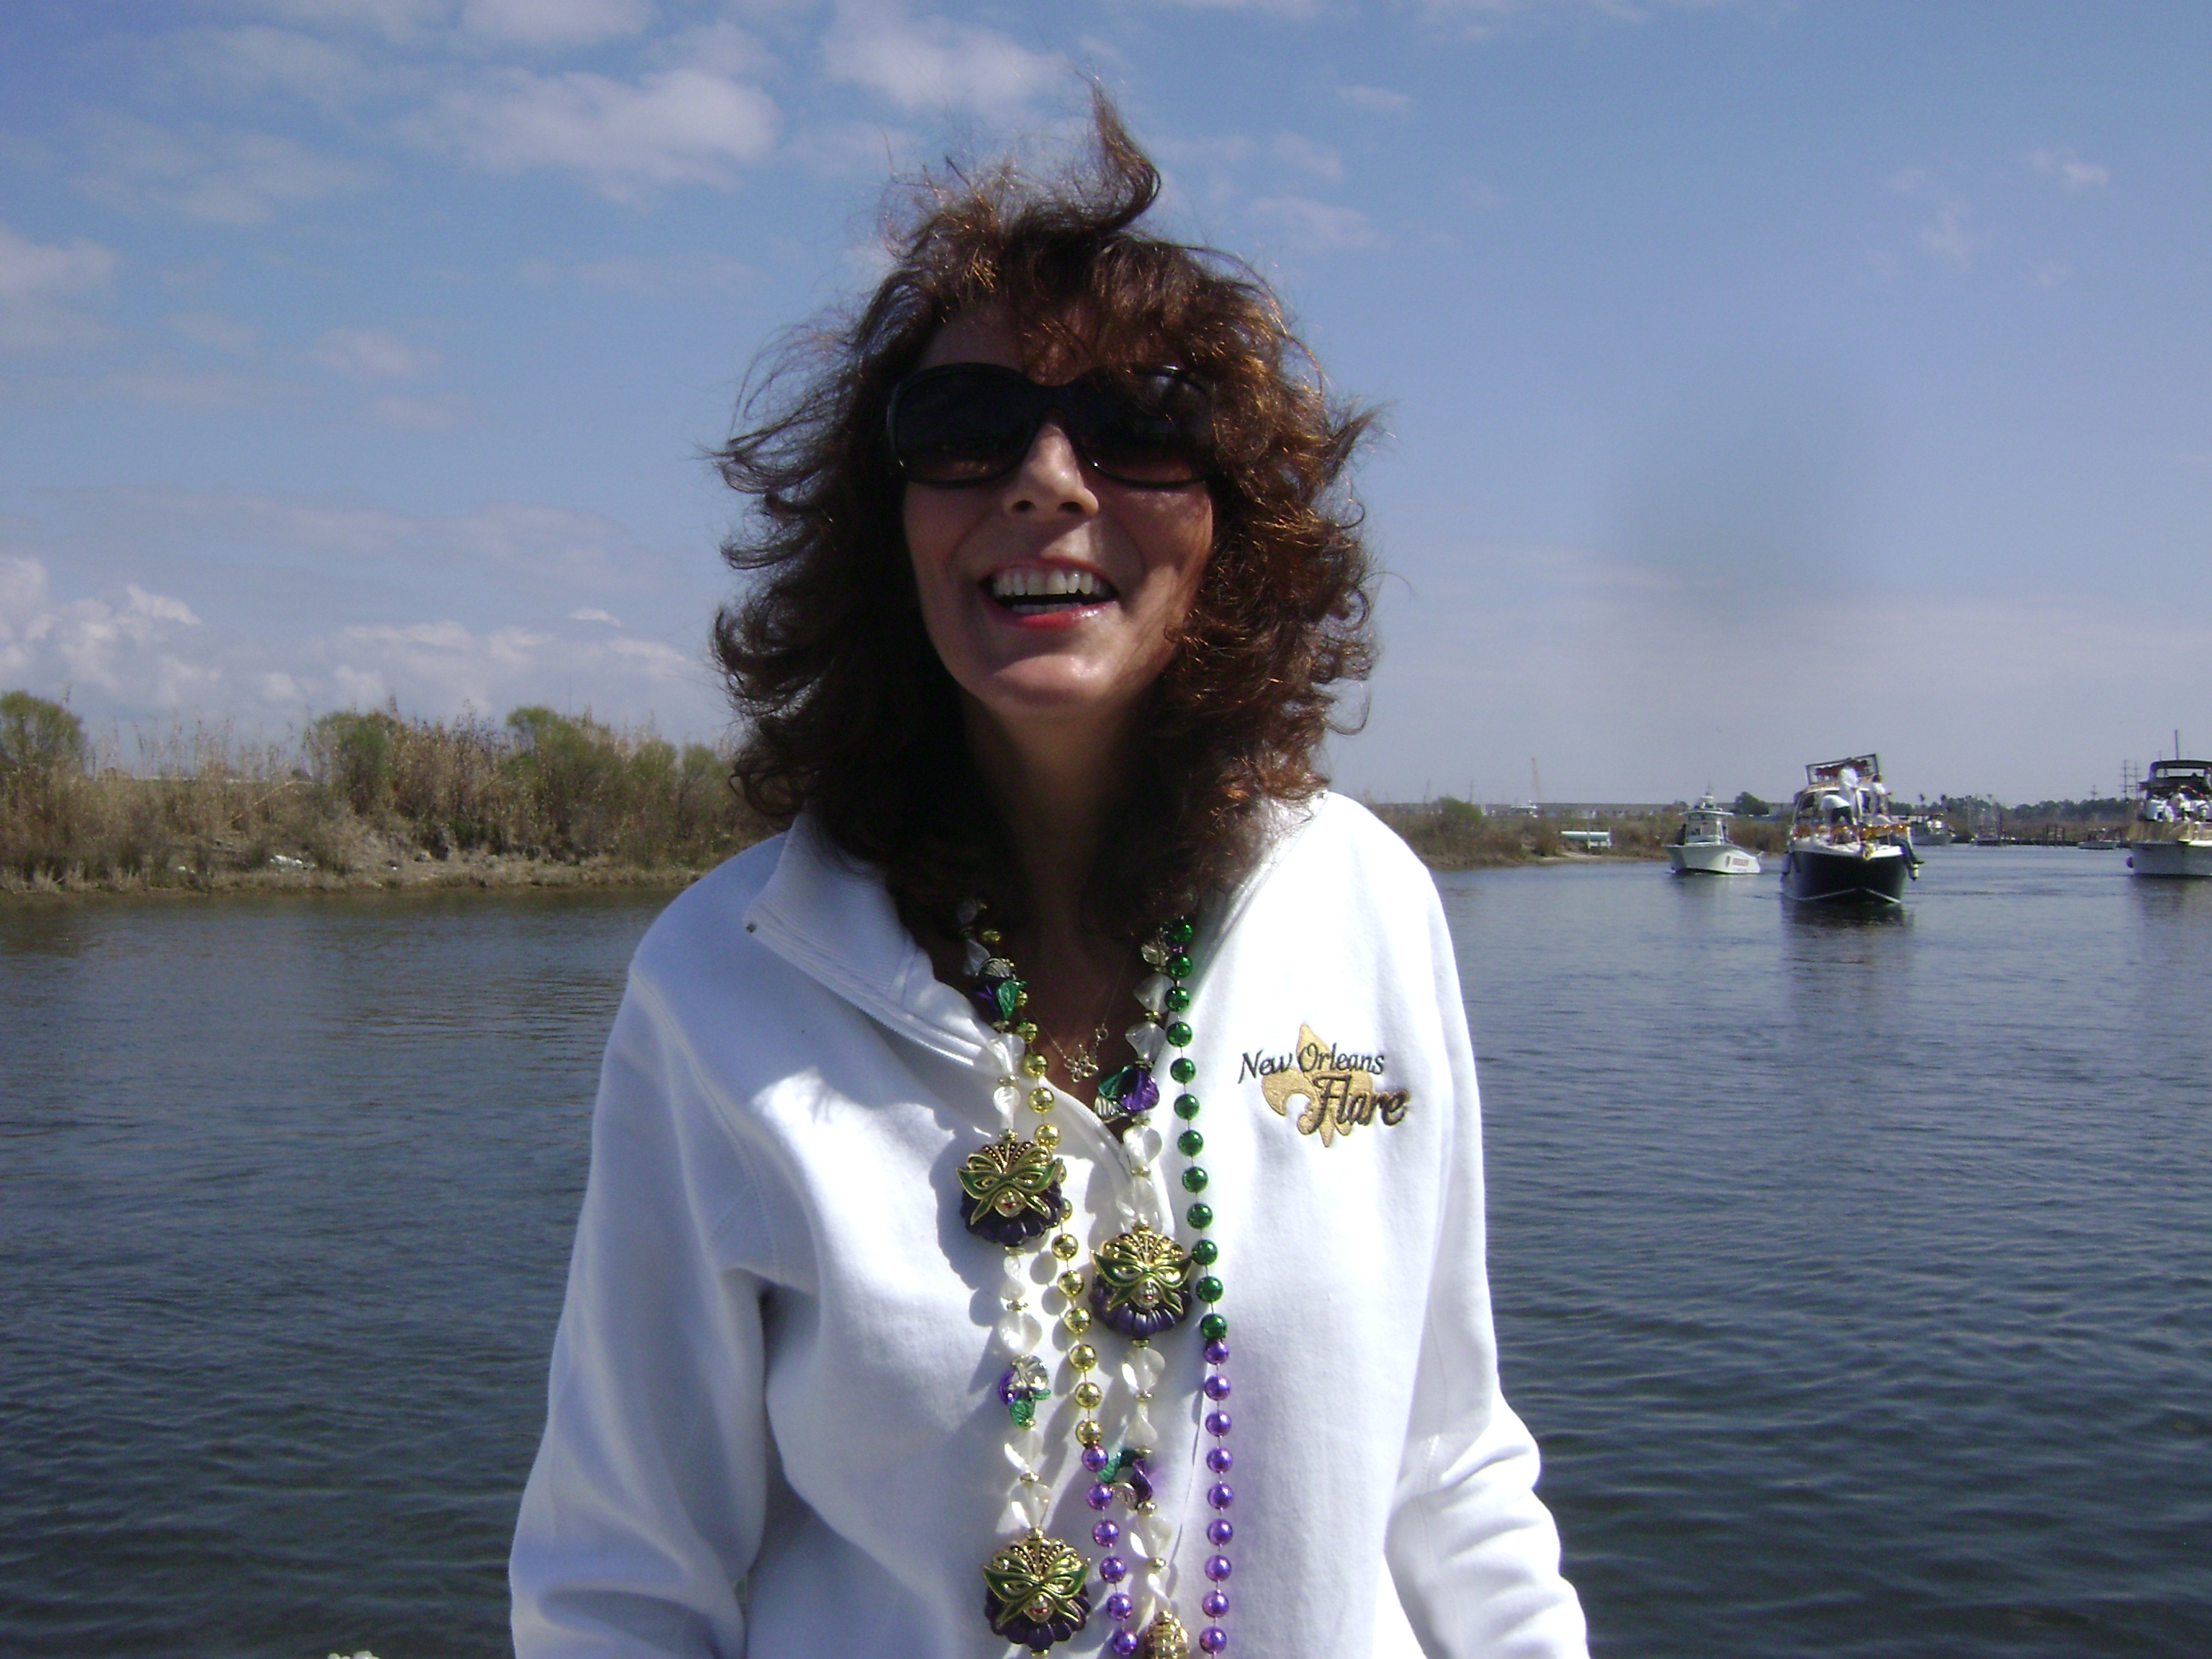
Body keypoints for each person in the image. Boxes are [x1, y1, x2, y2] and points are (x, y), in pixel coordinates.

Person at [510, 99, 1588, 1659]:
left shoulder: (1368, 904)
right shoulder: (720, 979)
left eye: (1139, 422)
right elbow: (616, 1585)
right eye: (966, 426)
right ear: (888, 520)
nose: (1048, 480)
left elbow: (1451, 1469)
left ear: (1234, 523)